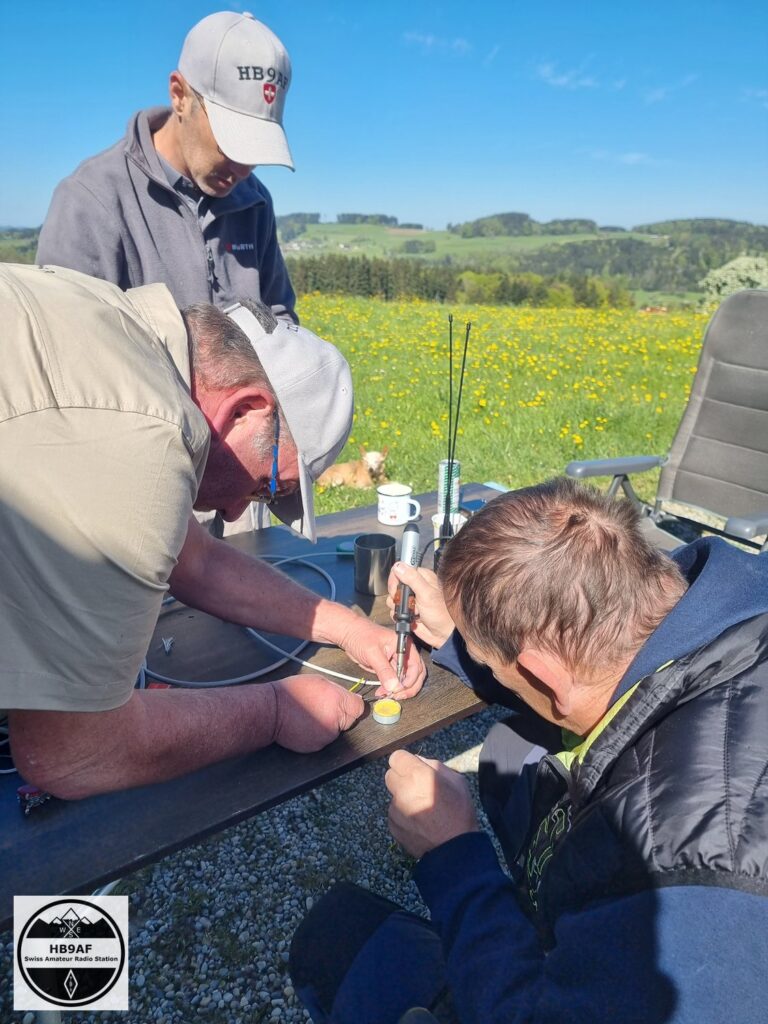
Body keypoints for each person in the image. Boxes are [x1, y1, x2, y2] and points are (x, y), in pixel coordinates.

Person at [289, 478, 768, 1024]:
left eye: (494, 667)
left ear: (543, 673)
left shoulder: (687, 889)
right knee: (509, 752)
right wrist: (465, 639)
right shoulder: (720, 598)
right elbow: (578, 666)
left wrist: (454, 856)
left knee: (333, 938)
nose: (487, 670)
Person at [0, 263, 425, 802]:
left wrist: (351, 630)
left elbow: (194, 559)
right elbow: (74, 752)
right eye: (266, 487)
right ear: (246, 409)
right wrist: (276, 711)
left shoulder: (115, 327)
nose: (232, 512)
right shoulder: (144, 433)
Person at [36, 10, 297, 319]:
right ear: (179, 95)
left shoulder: (254, 202)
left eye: (256, 149)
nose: (244, 171)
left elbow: (280, 320)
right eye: (232, 142)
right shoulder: (90, 199)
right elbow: (65, 342)